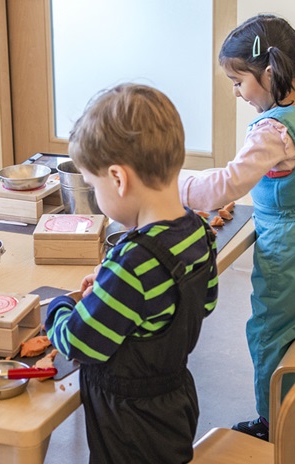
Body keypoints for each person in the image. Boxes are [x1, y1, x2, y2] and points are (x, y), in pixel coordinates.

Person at [179, 3, 295, 441]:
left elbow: (227, 184)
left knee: (272, 330)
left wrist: (167, 183)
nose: (238, 93)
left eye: (238, 82)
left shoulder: (271, 133)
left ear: (269, 73)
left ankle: (273, 420)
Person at [44, 84, 218, 463]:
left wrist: (57, 308)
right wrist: (112, 297)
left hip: (128, 423)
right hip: (175, 405)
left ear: (118, 179)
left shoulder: (134, 264)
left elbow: (78, 342)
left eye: (93, 186)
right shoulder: (200, 231)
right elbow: (202, 304)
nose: (96, 196)